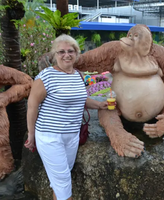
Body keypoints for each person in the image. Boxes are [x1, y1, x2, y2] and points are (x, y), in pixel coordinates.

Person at [24, 34, 108, 200]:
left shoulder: (78, 75)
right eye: (61, 51)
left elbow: (81, 99)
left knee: (60, 181)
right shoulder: (46, 76)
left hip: (72, 136)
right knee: (63, 182)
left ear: (76, 53)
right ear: (54, 55)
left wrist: (99, 105)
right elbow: (32, 106)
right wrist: (31, 134)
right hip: (50, 137)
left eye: (70, 51)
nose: (66, 55)